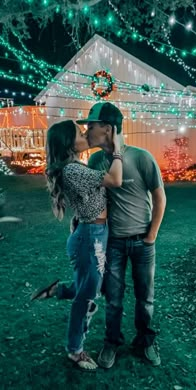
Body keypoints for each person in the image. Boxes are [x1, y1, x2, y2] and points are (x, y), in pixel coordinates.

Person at [32, 102, 166, 368]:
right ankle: (105, 344)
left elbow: (159, 196)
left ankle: (146, 341)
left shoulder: (141, 157)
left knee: (143, 297)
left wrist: (151, 236)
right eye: (82, 129)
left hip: (139, 241)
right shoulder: (92, 161)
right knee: (107, 297)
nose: (86, 131)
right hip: (107, 240)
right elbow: (96, 190)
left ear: (107, 128)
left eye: (89, 126)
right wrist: (80, 221)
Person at [31, 119, 123, 371]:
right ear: (69, 143)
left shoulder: (74, 167)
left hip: (95, 233)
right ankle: (75, 350)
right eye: (79, 133)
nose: (85, 134)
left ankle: (56, 290)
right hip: (90, 237)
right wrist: (117, 149)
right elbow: (115, 179)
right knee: (86, 297)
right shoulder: (73, 170)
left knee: (92, 289)